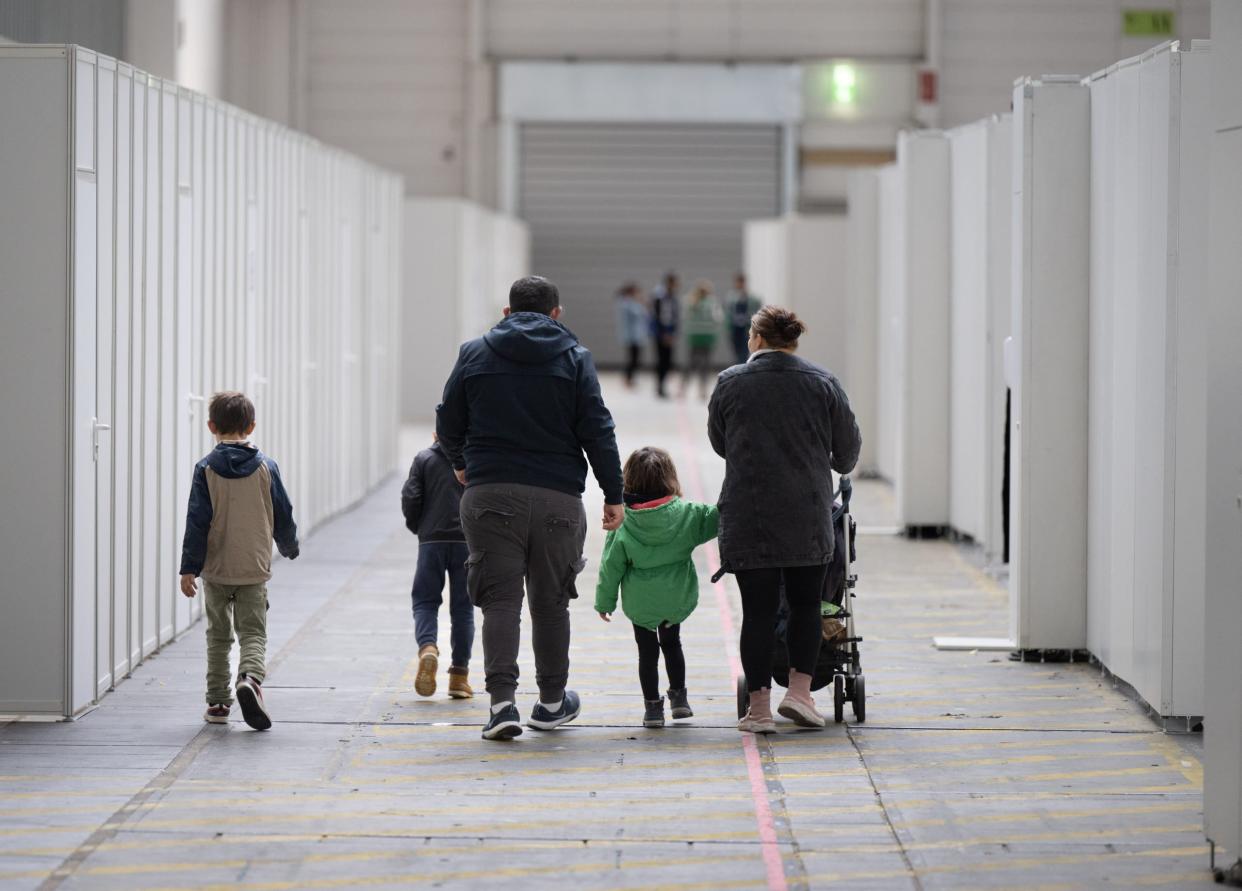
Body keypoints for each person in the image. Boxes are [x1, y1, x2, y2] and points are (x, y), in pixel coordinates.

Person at [436, 275, 625, 741]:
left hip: (489, 494)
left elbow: (448, 418)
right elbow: (597, 430)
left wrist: (461, 463)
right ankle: (552, 704)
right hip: (558, 498)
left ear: (506, 312)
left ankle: (502, 707)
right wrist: (614, 495)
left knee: (499, 601)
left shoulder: (474, 352)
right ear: (556, 314)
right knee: (551, 603)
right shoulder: (575, 358)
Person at [707, 307, 860, 733]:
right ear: (793, 340)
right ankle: (800, 694)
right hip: (806, 513)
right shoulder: (823, 383)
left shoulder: (730, 382)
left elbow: (721, 443)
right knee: (806, 605)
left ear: (756, 337)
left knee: (756, 612)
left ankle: (758, 710)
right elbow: (847, 453)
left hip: (748, 514)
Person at [179, 391, 300, 731]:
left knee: (218, 635)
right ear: (251, 426)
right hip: (253, 566)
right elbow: (282, 512)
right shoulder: (266, 467)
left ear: (211, 426)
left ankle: (218, 703)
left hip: (216, 569)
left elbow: (197, 521)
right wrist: (289, 545)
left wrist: (189, 567)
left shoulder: (205, 469)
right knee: (253, 632)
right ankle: (249, 678)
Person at [594, 447, 719, 728]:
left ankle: (652, 708)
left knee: (647, 653)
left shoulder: (624, 521)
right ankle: (680, 700)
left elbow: (610, 566)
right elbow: (717, 517)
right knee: (673, 644)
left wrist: (605, 602)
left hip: (641, 601)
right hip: (675, 596)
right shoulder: (688, 514)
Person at [401, 434, 473, 700]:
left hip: (431, 541)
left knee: (425, 601)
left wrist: (419, 527)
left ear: (435, 434)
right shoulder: (474, 461)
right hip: (466, 542)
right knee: (463, 609)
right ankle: (459, 677)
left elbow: (410, 497)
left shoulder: (424, 459)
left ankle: (428, 647)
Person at [681, 279, 723, 400]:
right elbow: (719, 318)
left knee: (690, 363)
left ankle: (683, 388)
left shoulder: (690, 301)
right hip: (707, 336)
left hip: (694, 336)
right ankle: (702, 390)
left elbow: (685, 318)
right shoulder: (712, 302)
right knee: (705, 364)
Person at [650, 271, 680, 398]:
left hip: (670, 332)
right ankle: (659, 386)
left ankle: (663, 385)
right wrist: (663, 333)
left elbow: (675, 316)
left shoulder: (673, 297)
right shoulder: (659, 296)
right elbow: (656, 316)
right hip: (660, 333)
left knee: (668, 361)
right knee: (661, 360)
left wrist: (672, 333)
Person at [615, 281, 649, 388]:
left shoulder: (629, 302)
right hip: (632, 336)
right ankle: (628, 378)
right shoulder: (627, 303)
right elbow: (640, 313)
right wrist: (641, 303)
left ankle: (630, 378)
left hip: (635, 336)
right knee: (633, 359)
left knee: (634, 358)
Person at [725, 273, 762, 366]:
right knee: (736, 350)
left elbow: (757, 305)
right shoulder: (731, 296)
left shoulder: (750, 297)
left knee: (744, 351)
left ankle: (742, 366)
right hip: (735, 328)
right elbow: (728, 311)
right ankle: (738, 365)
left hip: (746, 328)